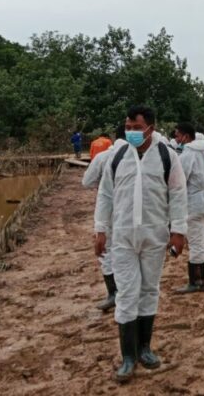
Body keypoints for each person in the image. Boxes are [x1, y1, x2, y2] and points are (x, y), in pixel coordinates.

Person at [94, 105, 188, 384]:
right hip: (121, 236)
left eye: (136, 127)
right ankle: (127, 357)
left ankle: (145, 348)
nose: (131, 132)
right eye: (128, 127)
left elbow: (178, 194)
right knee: (126, 292)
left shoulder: (166, 155)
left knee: (149, 289)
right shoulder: (118, 155)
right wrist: (100, 229)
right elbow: (105, 194)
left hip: (154, 234)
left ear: (150, 127)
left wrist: (179, 230)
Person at [172, 122, 204, 294]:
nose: (176, 139)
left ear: (186, 137)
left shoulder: (187, 155)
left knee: (195, 242)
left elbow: (180, 181)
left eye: (177, 136)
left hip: (196, 201)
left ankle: (197, 282)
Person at [83, 125, 126, 312]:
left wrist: (102, 183)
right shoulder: (141, 156)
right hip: (132, 211)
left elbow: (87, 181)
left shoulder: (102, 156)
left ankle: (114, 294)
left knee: (107, 252)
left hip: (109, 210)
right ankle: (129, 292)